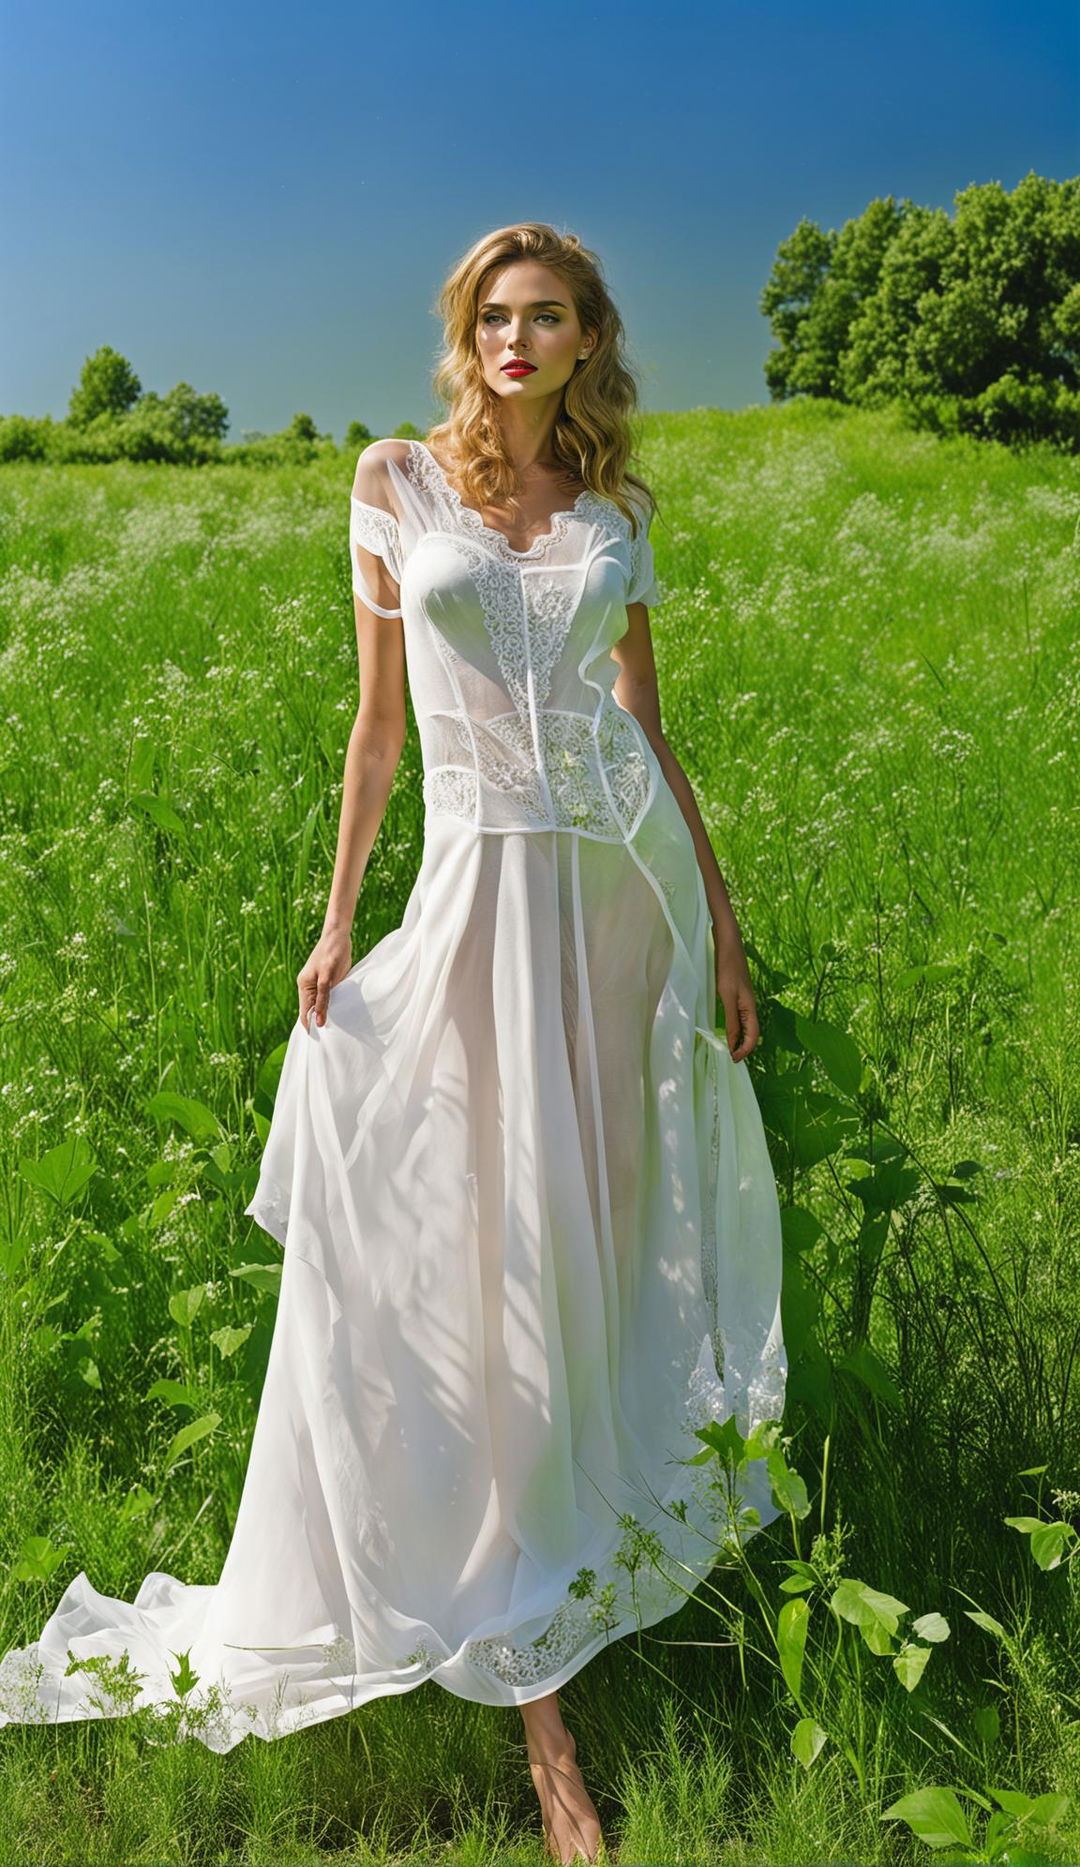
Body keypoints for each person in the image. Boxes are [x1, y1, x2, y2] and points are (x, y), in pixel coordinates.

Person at [0, 222, 787, 1867]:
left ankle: (562, 1582)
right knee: (466, 1264)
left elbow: (647, 729)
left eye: (548, 315)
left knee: (590, 1257)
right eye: (495, 316)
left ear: (588, 340)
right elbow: (377, 726)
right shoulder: (390, 484)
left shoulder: (621, 519)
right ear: (470, 333)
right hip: (472, 896)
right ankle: (539, 1723)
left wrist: (715, 915)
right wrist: (337, 916)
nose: (518, 338)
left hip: (614, 912)